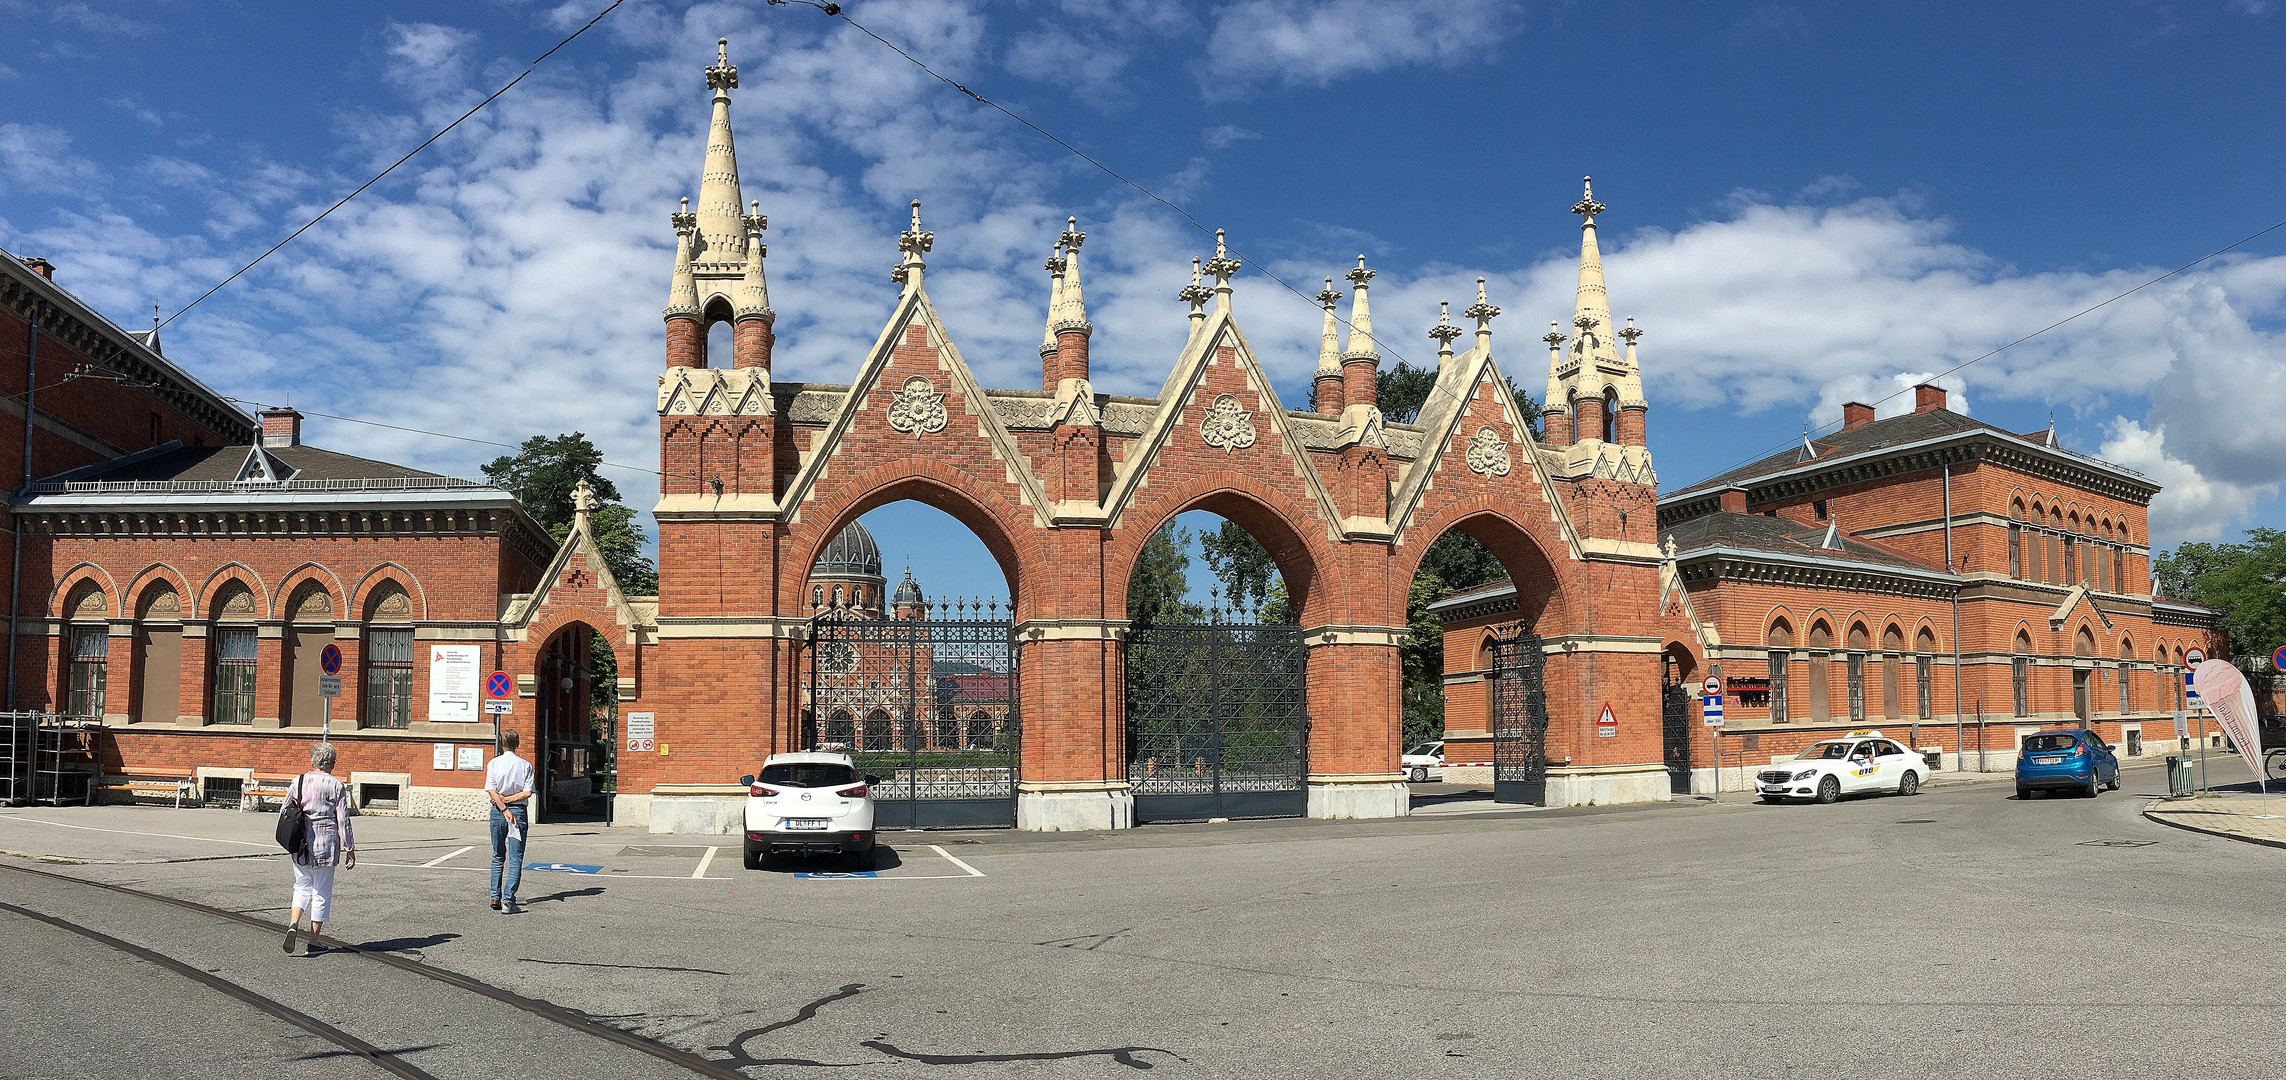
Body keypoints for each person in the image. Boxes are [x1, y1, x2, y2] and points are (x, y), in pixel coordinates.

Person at [284, 741, 355, 955]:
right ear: (332, 763)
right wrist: (349, 847)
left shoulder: (298, 781)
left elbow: (284, 812)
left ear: (313, 760)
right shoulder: (336, 785)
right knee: (321, 891)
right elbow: (343, 819)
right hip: (326, 846)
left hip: (300, 845)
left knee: (302, 885)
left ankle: (293, 924)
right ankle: (313, 941)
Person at [485, 727, 535, 914]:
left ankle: (494, 896)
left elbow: (491, 791)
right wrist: (508, 804)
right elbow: (527, 792)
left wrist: (502, 804)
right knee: (515, 858)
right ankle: (508, 900)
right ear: (518, 744)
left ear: (502, 744)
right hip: (518, 813)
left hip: (497, 811)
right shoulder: (525, 765)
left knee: (497, 855)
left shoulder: (493, 764)